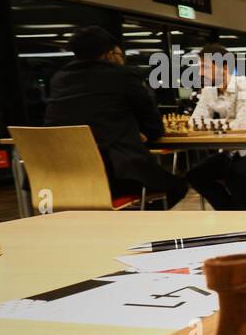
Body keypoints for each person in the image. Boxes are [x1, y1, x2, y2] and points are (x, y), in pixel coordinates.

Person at [43, 25, 188, 208]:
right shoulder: (123, 75)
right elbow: (153, 127)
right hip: (115, 175)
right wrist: (139, 133)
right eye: (120, 54)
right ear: (109, 53)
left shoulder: (59, 78)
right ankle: (133, 228)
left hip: (61, 176)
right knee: (177, 186)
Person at [185, 43, 246, 210]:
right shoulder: (209, 91)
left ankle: (237, 217)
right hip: (230, 152)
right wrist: (224, 124)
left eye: (205, 67)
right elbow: (193, 123)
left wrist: (209, 125)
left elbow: (244, 126)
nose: (200, 72)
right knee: (195, 175)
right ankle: (232, 213)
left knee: (236, 172)